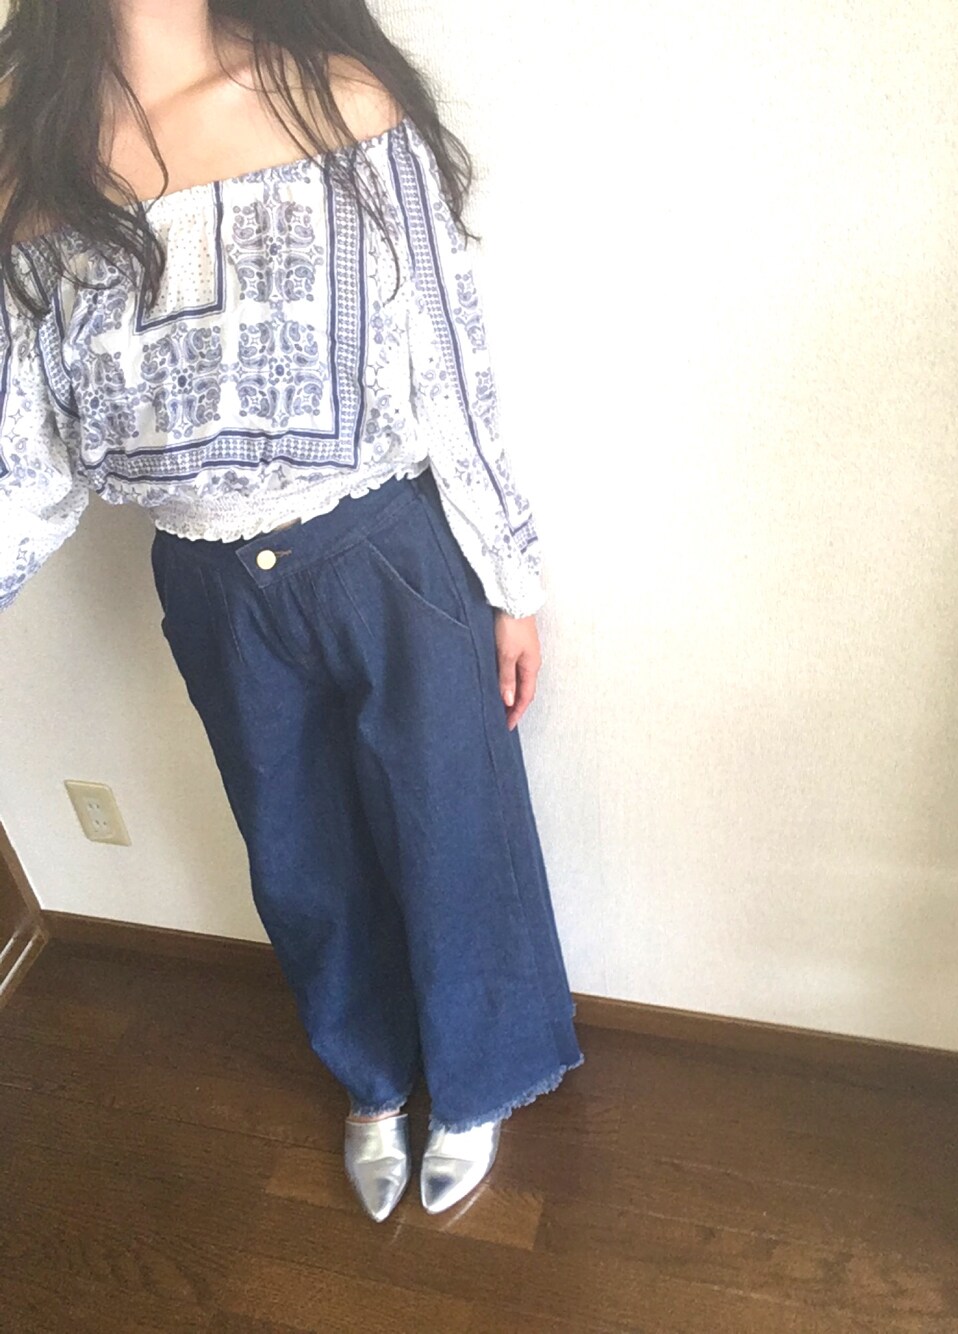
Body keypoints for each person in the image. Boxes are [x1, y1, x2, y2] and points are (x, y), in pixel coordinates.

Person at [0, 0, 584, 1223]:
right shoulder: (31, 168)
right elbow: (28, 451)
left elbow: (448, 356)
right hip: (207, 581)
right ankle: (372, 1071)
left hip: (387, 551)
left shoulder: (338, 101)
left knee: (453, 823)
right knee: (298, 850)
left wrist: (510, 575)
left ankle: (477, 1078)